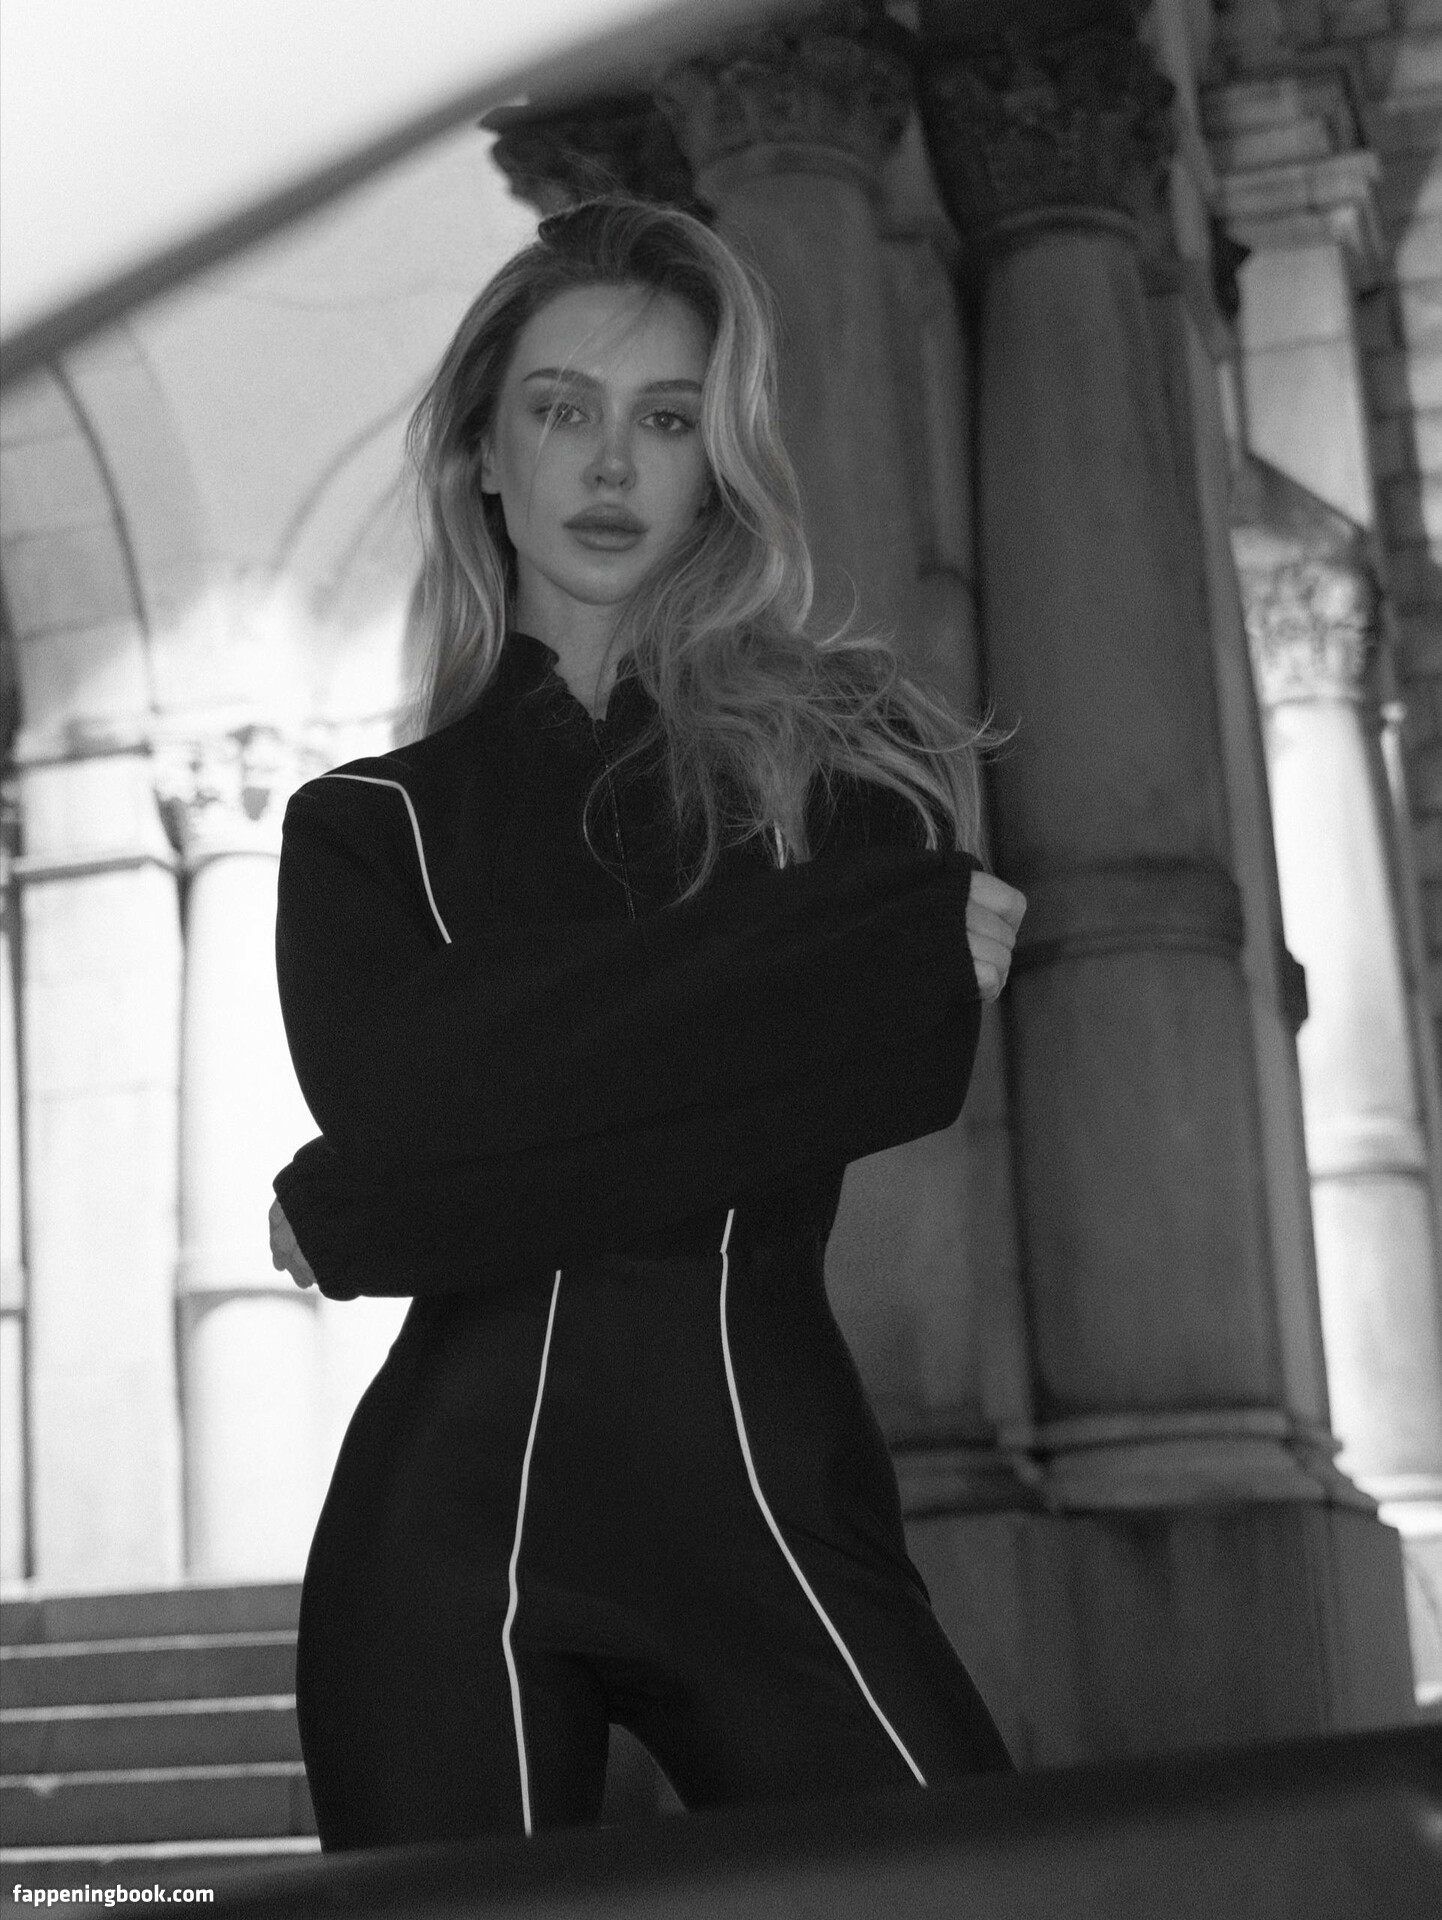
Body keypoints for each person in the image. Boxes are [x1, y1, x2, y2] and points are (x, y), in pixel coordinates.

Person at [267, 197, 1027, 1852]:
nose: (612, 464)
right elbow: (401, 1094)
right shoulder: (364, 827)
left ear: (716, 465)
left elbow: (898, 1065)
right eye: (562, 410)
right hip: (439, 1539)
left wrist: (367, 1208)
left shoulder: (845, 758)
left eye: (668, 420)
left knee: (998, 1887)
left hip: (769, 1495)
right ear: (483, 452)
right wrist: (826, 966)